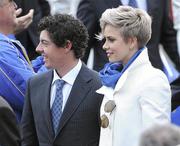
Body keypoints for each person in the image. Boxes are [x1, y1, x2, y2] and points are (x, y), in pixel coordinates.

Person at [21, 14, 103, 146]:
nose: (38, 49)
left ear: (67, 45)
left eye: (45, 43)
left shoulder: (99, 86)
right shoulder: (35, 84)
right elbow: (28, 139)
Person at [96, 6, 171, 146]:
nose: (104, 46)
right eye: (105, 39)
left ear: (131, 41)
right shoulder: (112, 76)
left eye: (111, 40)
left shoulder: (153, 79)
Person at [77, 0, 180, 72]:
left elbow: (169, 38)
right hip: (110, 80)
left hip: (151, 74)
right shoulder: (92, 1)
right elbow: (82, 43)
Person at [0, 0, 46, 121]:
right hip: (14, 135)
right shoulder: (2, 51)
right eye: (10, 3)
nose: (15, 6)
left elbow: (23, 70)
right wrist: (52, 60)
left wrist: (45, 59)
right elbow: (32, 94)